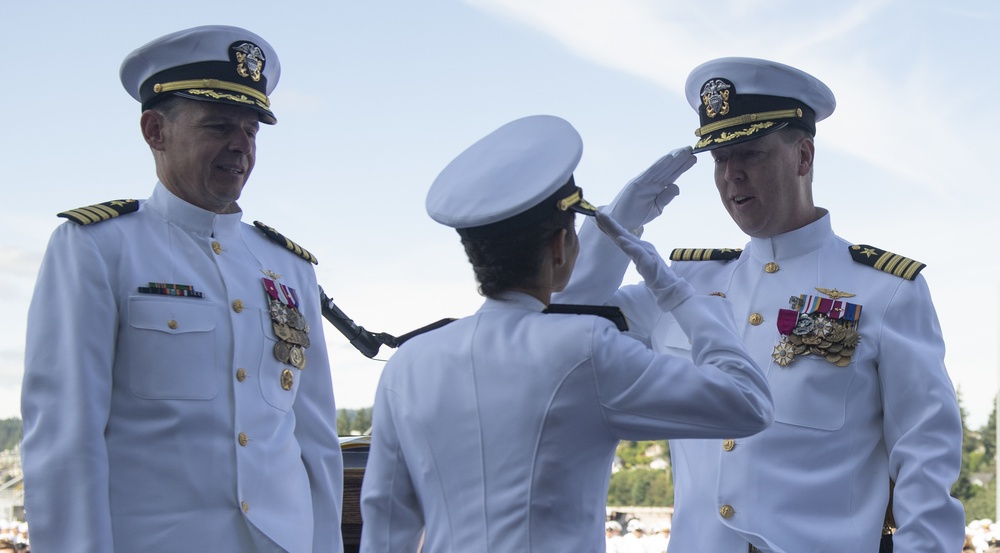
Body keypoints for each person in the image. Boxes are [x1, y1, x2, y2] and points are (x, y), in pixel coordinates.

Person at [557, 57, 965, 552]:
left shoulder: (886, 290)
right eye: (719, 160)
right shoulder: (682, 284)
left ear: (804, 157)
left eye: (749, 153)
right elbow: (565, 323)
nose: (732, 176)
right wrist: (615, 224)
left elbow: (924, 452)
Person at [358, 114, 774, 552]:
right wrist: (679, 295)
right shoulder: (586, 350)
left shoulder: (408, 363)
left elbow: (386, 525)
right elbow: (748, 404)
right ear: (560, 246)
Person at [21, 25, 343, 553]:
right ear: (154, 130)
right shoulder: (98, 248)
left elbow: (315, 441)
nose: (240, 146)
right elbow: (65, 442)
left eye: (251, 130)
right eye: (218, 125)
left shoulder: (288, 268)